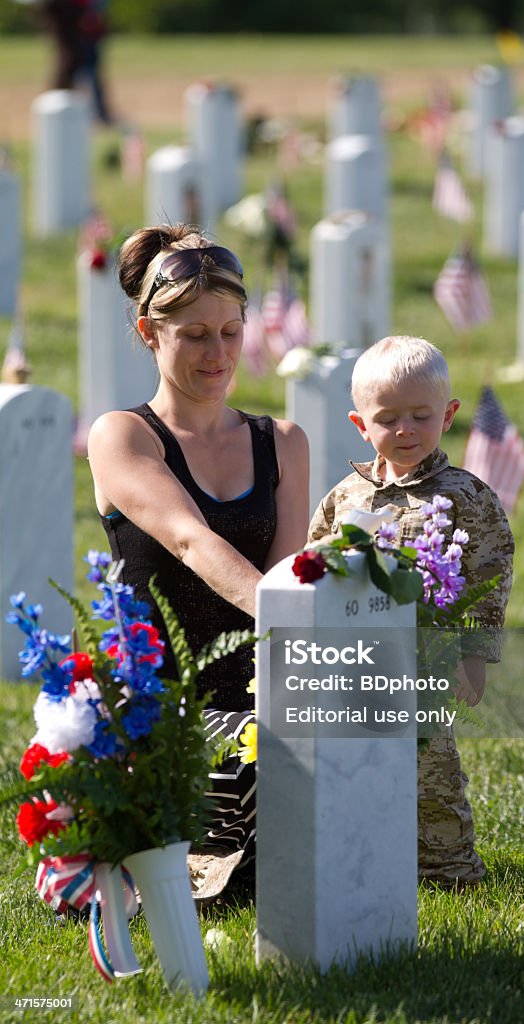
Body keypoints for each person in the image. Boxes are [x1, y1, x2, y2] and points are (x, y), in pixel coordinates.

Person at [87, 224, 309, 896]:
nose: (217, 353)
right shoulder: (122, 436)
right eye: (193, 335)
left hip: (260, 695)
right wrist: (299, 617)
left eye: (230, 332)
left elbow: (293, 566)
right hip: (162, 704)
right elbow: (190, 540)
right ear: (150, 333)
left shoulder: (283, 441)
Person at [307, 335, 514, 889]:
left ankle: (448, 867)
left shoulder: (465, 496)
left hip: (429, 660)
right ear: (360, 424)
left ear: (448, 415)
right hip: (355, 658)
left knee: (431, 770)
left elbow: (489, 576)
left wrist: (474, 654)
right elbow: (312, 565)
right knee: (353, 762)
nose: (404, 430)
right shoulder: (347, 497)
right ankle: (364, 855)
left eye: (421, 416)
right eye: (388, 418)